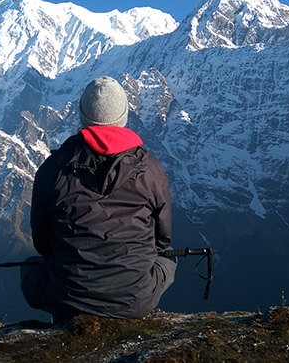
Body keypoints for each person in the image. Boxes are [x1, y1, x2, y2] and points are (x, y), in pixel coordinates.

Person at [21, 75, 176, 323]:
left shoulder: (53, 169)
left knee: (31, 267)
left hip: (68, 298)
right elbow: (163, 239)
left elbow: (43, 242)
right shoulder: (151, 169)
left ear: (83, 116)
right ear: (124, 116)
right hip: (136, 299)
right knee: (167, 261)